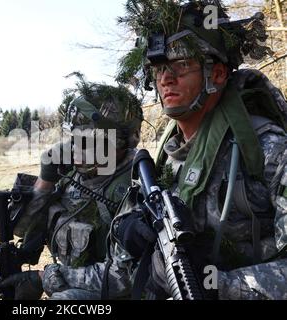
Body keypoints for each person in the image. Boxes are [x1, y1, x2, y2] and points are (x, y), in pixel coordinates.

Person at [112, 0, 287, 299]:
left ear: (217, 75)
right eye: (159, 69)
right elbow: (120, 271)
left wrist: (221, 285)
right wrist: (126, 230)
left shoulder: (268, 149)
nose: (166, 78)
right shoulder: (165, 156)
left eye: (182, 65)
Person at [0, 77, 144, 299]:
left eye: (86, 140)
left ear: (119, 141)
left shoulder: (135, 184)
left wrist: (45, 279)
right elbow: (21, 231)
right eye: (72, 137)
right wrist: (45, 181)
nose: (75, 147)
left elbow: (125, 278)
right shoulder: (69, 175)